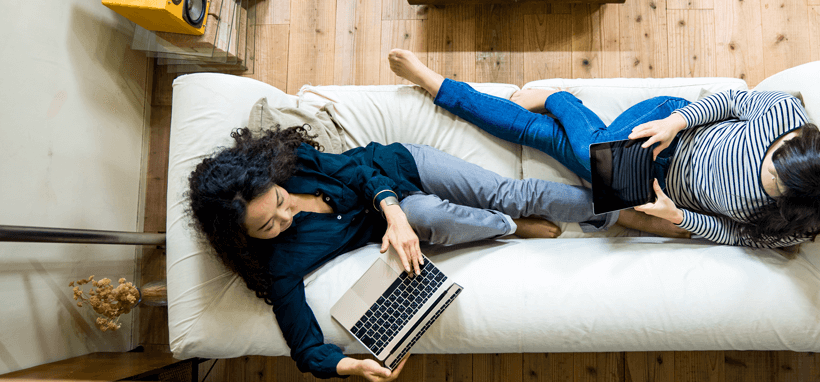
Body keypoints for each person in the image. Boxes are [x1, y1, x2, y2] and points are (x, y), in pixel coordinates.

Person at [186, 126, 615, 380]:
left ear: (275, 180)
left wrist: (391, 212)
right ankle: (509, 225)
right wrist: (348, 367)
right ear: (244, 237)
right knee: (430, 213)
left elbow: (359, 171)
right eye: (268, 226)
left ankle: (619, 204)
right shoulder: (280, 264)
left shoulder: (295, 162)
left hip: (400, 167)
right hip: (413, 214)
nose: (287, 215)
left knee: (510, 193)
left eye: (280, 200)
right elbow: (304, 345)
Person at [387, 49, 820, 248]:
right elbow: (730, 100)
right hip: (668, 126)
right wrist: (676, 120)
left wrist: (676, 216)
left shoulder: (790, 227)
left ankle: (437, 85)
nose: (767, 164)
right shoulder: (786, 114)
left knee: (543, 137)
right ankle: (560, 97)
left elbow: (737, 235)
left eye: (772, 182)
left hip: (655, 187)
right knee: (594, 147)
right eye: (776, 153)